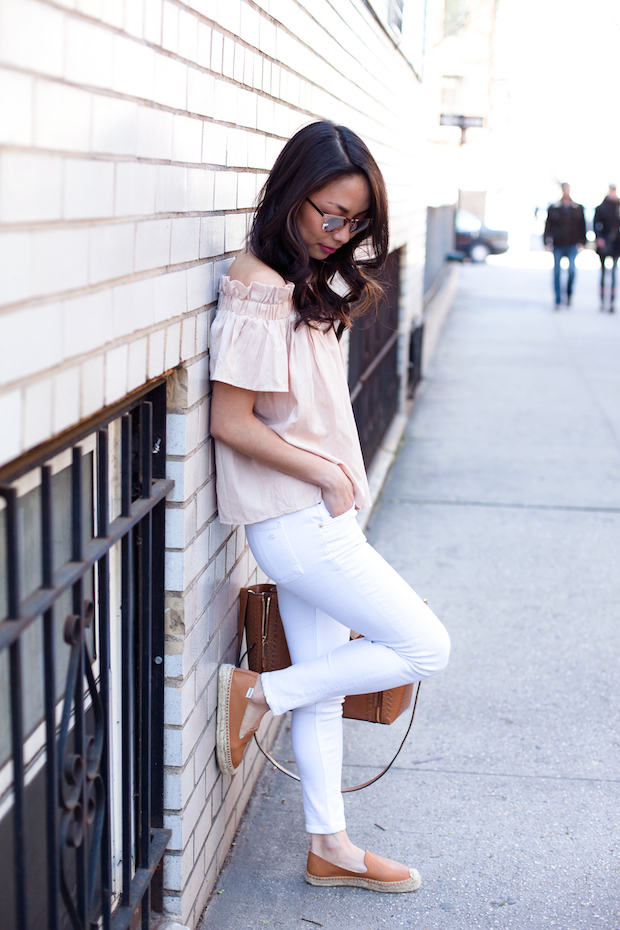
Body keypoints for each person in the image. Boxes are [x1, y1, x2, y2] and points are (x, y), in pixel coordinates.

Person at [209, 121, 450, 894]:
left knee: (325, 680)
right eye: (329, 214)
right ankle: (258, 694)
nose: (339, 234)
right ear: (292, 193)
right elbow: (230, 420)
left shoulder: (307, 280)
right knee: (424, 646)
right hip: (299, 524)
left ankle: (330, 847)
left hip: (316, 520)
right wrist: (327, 472)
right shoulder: (260, 283)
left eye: (354, 222)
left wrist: (335, 480)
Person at [544, 183, 586, 308]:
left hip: (572, 244)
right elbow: (548, 226)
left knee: (572, 271)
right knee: (557, 272)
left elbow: (582, 226)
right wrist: (547, 241)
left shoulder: (577, 208)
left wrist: (582, 242)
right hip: (558, 244)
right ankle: (557, 299)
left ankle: (568, 294)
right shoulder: (554, 207)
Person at [593, 184, 620, 312]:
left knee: (614, 273)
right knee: (604, 273)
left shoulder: (618, 207)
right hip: (604, 244)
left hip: (616, 244)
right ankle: (603, 299)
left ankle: (612, 301)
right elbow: (596, 224)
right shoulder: (602, 207)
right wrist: (599, 239)